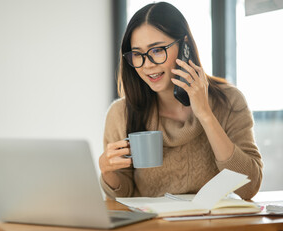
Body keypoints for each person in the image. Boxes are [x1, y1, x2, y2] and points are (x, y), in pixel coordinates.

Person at [99, 2, 263, 200]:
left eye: (157, 50)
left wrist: (205, 115)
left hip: (214, 227)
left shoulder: (229, 101)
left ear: (184, 45)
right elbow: (123, 195)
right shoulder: (121, 113)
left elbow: (248, 187)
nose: (147, 65)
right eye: (137, 54)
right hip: (153, 227)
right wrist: (107, 171)